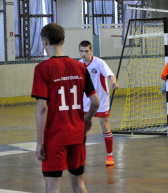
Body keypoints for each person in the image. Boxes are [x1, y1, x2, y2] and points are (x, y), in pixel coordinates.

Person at [32, 23, 100, 193]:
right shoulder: (80, 67)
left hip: (55, 137)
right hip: (77, 134)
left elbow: (42, 107)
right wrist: (88, 118)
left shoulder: (42, 69)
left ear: (44, 42)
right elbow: (95, 101)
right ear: (63, 40)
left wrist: (40, 141)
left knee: (53, 186)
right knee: (79, 184)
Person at [79, 40, 119, 166]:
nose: (84, 54)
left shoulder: (99, 63)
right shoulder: (78, 64)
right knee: (82, 127)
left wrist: (114, 82)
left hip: (101, 99)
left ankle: (109, 155)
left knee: (104, 124)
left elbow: (110, 74)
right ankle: (80, 156)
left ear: (91, 51)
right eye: (81, 51)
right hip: (85, 100)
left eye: (86, 51)